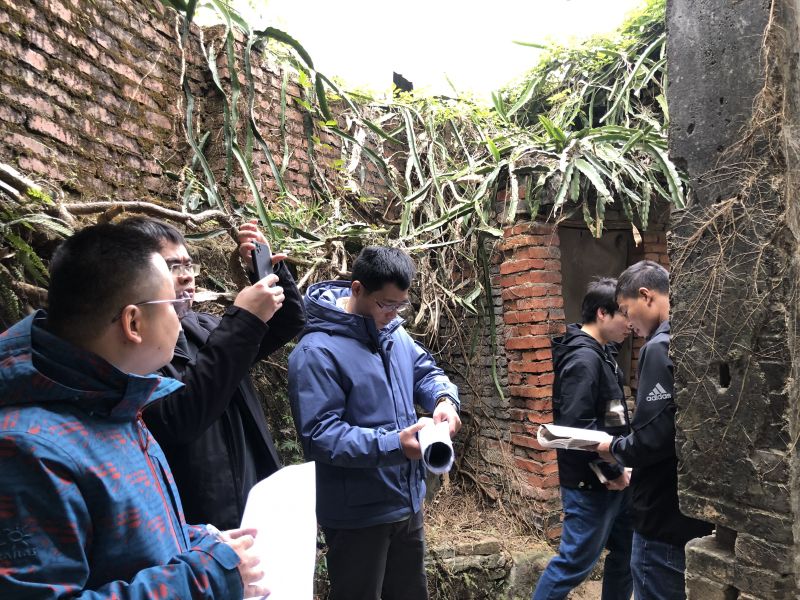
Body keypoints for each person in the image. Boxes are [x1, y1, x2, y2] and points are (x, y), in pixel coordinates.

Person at [0, 223, 267, 598]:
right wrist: (207, 577)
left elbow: (126, 541)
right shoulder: (28, 451)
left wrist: (203, 543)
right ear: (133, 322)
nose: (180, 315)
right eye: (171, 304)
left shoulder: (115, 404)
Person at [288, 246, 461, 600]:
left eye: (401, 305)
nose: (393, 313)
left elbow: (426, 372)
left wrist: (444, 399)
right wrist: (395, 444)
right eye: (385, 304)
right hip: (357, 516)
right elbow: (320, 436)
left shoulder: (394, 333)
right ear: (357, 289)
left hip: (406, 504)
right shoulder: (315, 352)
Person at [121, 217, 305, 531]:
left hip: (253, 506)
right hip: (198, 527)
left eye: (188, 265)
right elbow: (180, 417)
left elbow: (287, 322)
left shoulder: (204, 326)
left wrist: (267, 272)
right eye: (171, 267)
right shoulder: (134, 351)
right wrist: (244, 320)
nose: (186, 276)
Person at [596, 260, 712, 600]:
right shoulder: (699, 335)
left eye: (626, 310)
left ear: (646, 296)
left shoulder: (660, 348)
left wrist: (613, 449)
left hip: (661, 516)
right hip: (696, 514)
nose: (628, 323)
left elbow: (652, 439)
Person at [532, 278, 634, 600]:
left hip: (615, 477)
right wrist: (613, 471)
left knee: (627, 552)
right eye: (624, 314)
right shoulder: (583, 360)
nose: (631, 323)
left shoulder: (602, 352)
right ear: (602, 313)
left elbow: (610, 413)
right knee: (574, 563)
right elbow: (577, 431)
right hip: (592, 483)